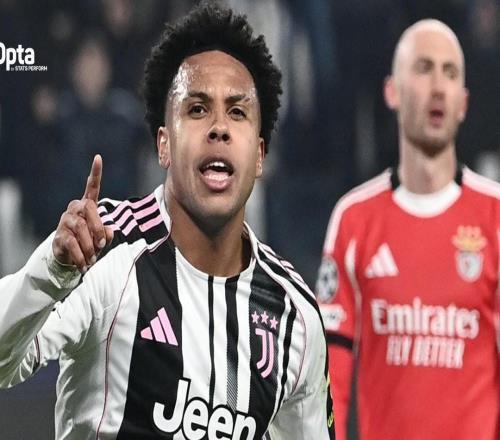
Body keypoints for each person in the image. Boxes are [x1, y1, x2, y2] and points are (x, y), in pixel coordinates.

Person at [0, 3, 335, 439]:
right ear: (163, 145)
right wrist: (50, 272)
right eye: (197, 109)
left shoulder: (294, 315)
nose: (219, 128)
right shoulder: (104, 248)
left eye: (237, 112)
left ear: (259, 156)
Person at [316, 19, 499, 440]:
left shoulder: (495, 216)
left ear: (463, 102)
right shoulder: (354, 219)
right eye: (423, 68)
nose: (438, 87)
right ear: (391, 92)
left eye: (450, 73)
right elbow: (328, 381)